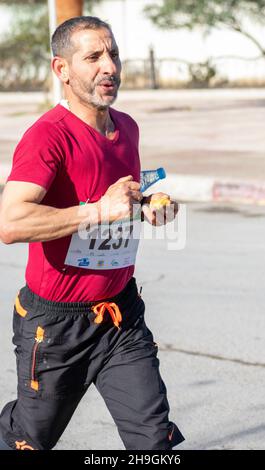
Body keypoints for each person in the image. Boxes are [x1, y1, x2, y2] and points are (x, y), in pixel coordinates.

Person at [0, 16, 184, 450]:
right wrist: (97, 211)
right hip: (56, 325)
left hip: (120, 317)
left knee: (153, 440)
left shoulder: (127, 129)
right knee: (30, 439)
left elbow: (118, 200)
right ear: (61, 69)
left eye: (114, 54)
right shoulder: (47, 137)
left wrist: (148, 207)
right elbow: (10, 222)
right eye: (94, 57)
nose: (110, 67)